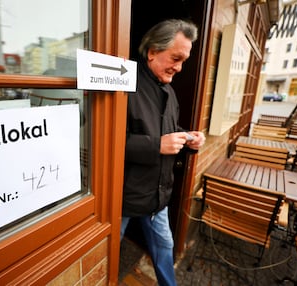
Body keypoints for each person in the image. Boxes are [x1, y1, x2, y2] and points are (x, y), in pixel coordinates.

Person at [121, 19, 206, 286]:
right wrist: (157, 145)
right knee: (105, 253)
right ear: (152, 51)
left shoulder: (169, 91)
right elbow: (104, 142)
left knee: (164, 248)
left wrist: (188, 138)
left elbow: (169, 130)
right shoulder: (123, 84)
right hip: (122, 196)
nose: (179, 68)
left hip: (158, 196)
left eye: (184, 61)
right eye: (176, 58)